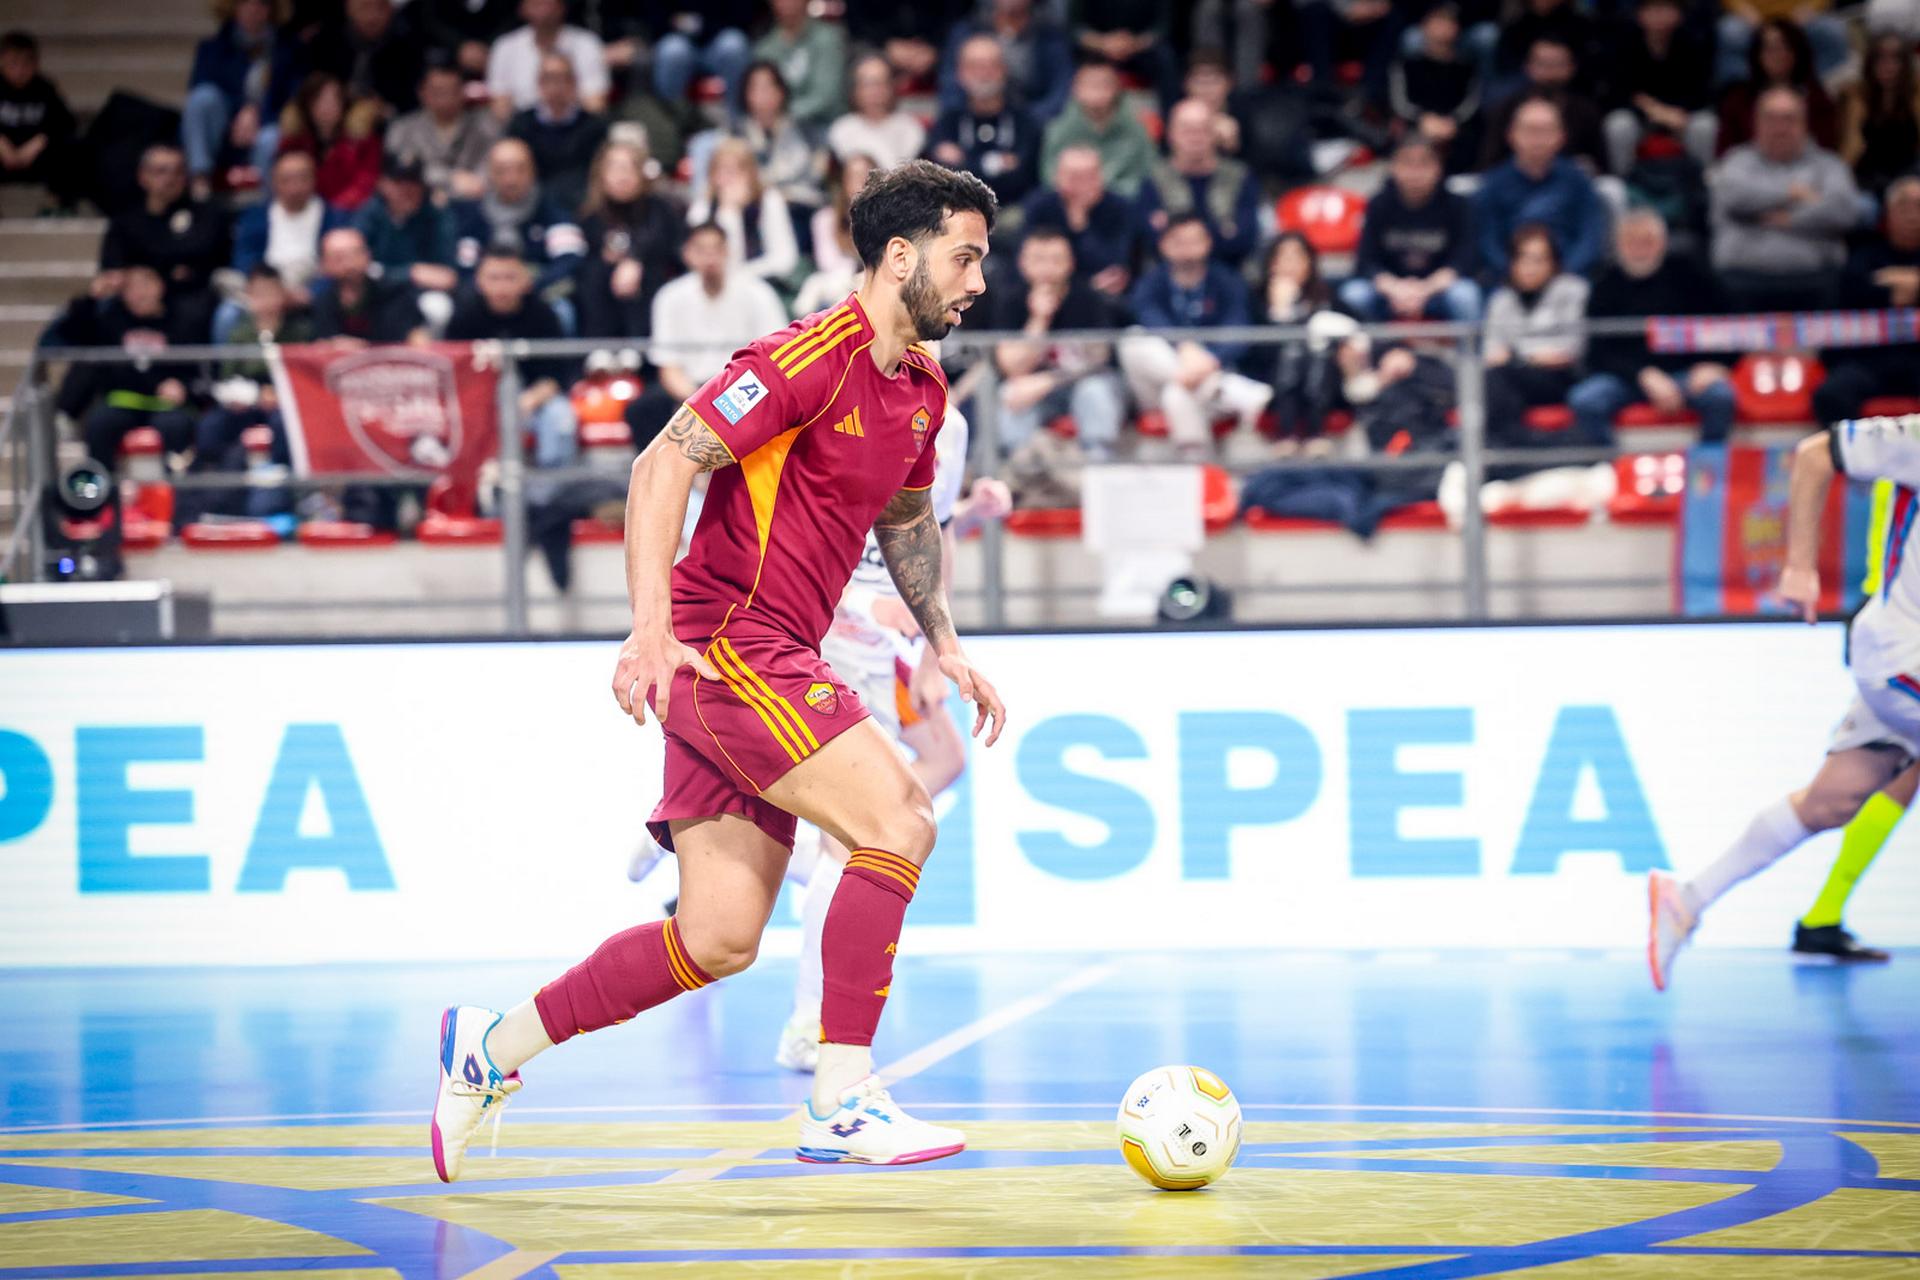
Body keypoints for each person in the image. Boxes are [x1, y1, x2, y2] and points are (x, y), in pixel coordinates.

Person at [429, 159, 1007, 1177]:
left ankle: (489, 1047)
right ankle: (842, 1095)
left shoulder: (921, 386)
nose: (977, 282)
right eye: (964, 258)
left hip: (776, 651)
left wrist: (945, 641)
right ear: (900, 256)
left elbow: (909, 520)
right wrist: (649, 631)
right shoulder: (801, 357)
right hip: (730, 640)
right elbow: (662, 462)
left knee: (717, 937)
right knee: (899, 818)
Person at [772, 405, 1012, 1072]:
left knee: (943, 758)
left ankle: (781, 853)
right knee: (854, 835)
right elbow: (788, 538)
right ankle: (807, 1021)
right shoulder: (828, 400)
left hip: (886, 647)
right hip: (822, 637)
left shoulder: (949, 422)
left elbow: (932, 535)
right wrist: (859, 604)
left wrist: (938, 654)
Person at [1650, 408, 1920, 988]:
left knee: (1834, 799)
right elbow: (1815, 452)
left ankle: (1687, 899)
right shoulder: (1914, 438)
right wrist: (1799, 567)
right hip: (1904, 652)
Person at [1568, 211, 1732, 446]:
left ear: (1663, 242)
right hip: (1626, 378)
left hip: (1686, 373)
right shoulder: (1605, 284)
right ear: (1618, 245)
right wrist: (1643, 375)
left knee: (1720, 396)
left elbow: (1732, 325)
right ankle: (1611, 465)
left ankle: (1708, 465)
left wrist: (1716, 365)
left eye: (1647, 242)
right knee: (1586, 400)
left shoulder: (1690, 274)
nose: (1639, 249)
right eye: (1631, 242)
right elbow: (1598, 353)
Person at [1118, 214, 1274, 461]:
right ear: (1164, 245)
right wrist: (1183, 347)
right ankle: (1220, 387)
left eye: (1194, 241)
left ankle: (1199, 469)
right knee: (1133, 340)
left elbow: (1238, 330)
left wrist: (1211, 360)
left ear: (1208, 243)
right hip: (1154, 387)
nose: (1187, 249)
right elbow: (1151, 319)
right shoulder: (1151, 283)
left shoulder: (1227, 281)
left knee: (1177, 394)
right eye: (1179, 242)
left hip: (1199, 380)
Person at [624, 222, 789, 451]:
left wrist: (726, 401)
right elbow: (668, 367)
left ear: (727, 252)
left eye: (716, 250)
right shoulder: (670, 297)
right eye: (701, 250)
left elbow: (774, 358)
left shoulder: (758, 293)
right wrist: (698, 402)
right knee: (643, 410)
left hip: (744, 387)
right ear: (688, 254)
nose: (710, 258)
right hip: (691, 387)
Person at [1710, 86, 1859, 312]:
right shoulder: (1736, 161)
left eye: (1789, 119)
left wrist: (1789, 219)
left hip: (1818, 281)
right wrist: (1792, 194)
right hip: (1740, 282)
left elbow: (1842, 210)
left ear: (1804, 123)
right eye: (1771, 119)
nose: (1780, 128)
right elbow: (1733, 197)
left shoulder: (1829, 165)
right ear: (1756, 123)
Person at [988, 226, 1129, 460]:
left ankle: (1098, 461)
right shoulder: (1011, 301)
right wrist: (1039, 319)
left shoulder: (1089, 298)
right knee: (1011, 393)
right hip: (1035, 392)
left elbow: (1099, 360)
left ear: (1070, 263)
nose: (1047, 269)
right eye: (1039, 260)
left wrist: (1050, 380)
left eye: (1056, 260)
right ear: (1022, 263)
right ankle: (1019, 464)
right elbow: (1011, 366)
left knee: (1094, 391)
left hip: (1083, 383)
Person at [48, 266, 202, 464]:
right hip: (122, 402)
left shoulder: (181, 322)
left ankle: (176, 483)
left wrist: (183, 387)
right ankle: (102, 482)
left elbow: (195, 371)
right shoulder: (112, 320)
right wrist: (92, 297)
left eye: (145, 285)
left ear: (159, 286)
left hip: (166, 406)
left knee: (177, 426)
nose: (139, 293)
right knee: (99, 424)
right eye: (131, 288)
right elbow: (70, 333)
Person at [446, 246, 579, 467]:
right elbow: (454, 375)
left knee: (560, 418)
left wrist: (529, 400)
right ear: (479, 280)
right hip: (481, 400)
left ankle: (552, 487)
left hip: (535, 399)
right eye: (494, 278)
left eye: (510, 277)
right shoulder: (464, 317)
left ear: (526, 280)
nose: (502, 286)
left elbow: (558, 375)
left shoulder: (544, 315)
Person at [1811, 176, 1920, 425]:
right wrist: (1901, 292)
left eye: (1919, 207)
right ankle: (1844, 450)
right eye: (1904, 207)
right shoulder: (1862, 257)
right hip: (1869, 361)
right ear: (1888, 214)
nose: (1913, 216)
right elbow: (1856, 296)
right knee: (1831, 395)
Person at [1340, 136, 1481, 323]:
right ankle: (1362, 342)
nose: (1415, 173)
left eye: (1424, 164)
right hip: (1390, 290)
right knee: (1354, 294)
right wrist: (1396, 289)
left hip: (1438, 289)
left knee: (1465, 295)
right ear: (1393, 167)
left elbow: (1464, 260)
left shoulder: (1458, 205)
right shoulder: (1378, 204)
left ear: (1438, 168)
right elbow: (1366, 262)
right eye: (1407, 164)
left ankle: (1469, 344)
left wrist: (1424, 290)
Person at [97, 145, 230, 340]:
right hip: (134, 298)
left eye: (178, 171)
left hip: (190, 296)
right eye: (161, 171)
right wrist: (139, 283)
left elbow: (206, 255)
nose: (170, 179)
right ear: (143, 176)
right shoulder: (126, 221)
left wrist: (156, 276)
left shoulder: (206, 215)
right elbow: (112, 267)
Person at [1473, 95, 1608, 280]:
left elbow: (1590, 235)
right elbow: (1486, 241)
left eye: (1545, 130)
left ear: (1561, 136)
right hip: (1507, 280)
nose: (1537, 139)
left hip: (1566, 277)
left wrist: (1564, 271)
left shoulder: (1578, 182)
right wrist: (1517, 275)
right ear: (1511, 134)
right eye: (1530, 130)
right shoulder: (1492, 185)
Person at [1482, 223, 1589, 449]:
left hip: (1559, 377)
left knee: (1498, 380)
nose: (1529, 267)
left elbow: (1571, 350)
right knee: (1492, 380)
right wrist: (1523, 359)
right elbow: (1491, 352)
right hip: (1512, 377)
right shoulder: (1502, 299)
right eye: (1523, 259)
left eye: (1538, 260)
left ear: (1553, 263)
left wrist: (1519, 357)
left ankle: (1508, 449)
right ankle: (1518, 446)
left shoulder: (1573, 291)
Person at [574, 138, 686, 341]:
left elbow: (673, 253)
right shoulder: (588, 217)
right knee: (594, 273)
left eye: (629, 168)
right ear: (601, 174)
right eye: (615, 168)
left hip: (652, 293)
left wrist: (635, 259)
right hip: (603, 304)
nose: (622, 176)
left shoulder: (662, 211)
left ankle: (640, 350)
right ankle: (599, 349)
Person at [181, 0, 298, 195]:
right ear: (233, 7)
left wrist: (258, 115)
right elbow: (200, 90)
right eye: (245, 2)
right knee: (202, 98)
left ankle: (268, 202)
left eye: (261, 3)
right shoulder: (212, 48)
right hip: (224, 129)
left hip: (269, 124)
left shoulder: (291, 50)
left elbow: (295, 97)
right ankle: (199, 179)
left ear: (272, 9)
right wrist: (241, 113)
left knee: (271, 138)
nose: (253, 9)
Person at [449, 138, 586, 304]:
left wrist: (528, 285)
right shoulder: (473, 214)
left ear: (533, 170)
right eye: (502, 170)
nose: (511, 179)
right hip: (484, 296)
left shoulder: (552, 209)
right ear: (490, 173)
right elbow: (464, 263)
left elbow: (570, 259)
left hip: (540, 294)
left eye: (520, 169)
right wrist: (490, 287)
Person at [1135, 99, 1261, 270]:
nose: (1195, 137)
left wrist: (1179, 238)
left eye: (1203, 129)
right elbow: (1152, 240)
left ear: (1214, 134)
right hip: (1169, 276)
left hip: (1232, 272)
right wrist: (1221, 231)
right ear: (1171, 134)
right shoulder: (1153, 180)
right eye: (1187, 130)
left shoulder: (1240, 177)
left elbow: (1244, 239)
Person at [926, 33, 1042, 209]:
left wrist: (963, 161)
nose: (983, 74)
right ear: (960, 73)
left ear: (1004, 70)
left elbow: (1023, 178)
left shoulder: (1025, 122)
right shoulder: (947, 122)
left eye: (991, 65)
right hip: (958, 212)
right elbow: (942, 178)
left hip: (1012, 212)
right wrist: (997, 165)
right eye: (974, 66)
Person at [1603, 0, 1717, 175]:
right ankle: (1622, 178)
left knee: (1705, 124)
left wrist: (1676, 112)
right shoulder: (1625, 43)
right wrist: (1654, 111)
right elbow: (1620, 91)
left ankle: (1701, 179)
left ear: (1679, 14)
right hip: (1641, 116)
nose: (1659, 16)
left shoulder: (1693, 44)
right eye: (1653, 10)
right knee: (1618, 124)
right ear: (1640, 15)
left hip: (1680, 116)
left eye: (1665, 9)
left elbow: (1700, 92)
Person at [1020, 144, 1140, 297]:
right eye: (1073, 177)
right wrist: (1082, 286)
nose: (1081, 186)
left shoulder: (1119, 208)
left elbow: (1114, 265)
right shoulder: (1039, 207)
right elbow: (1026, 258)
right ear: (1058, 177)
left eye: (1088, 178)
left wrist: (1081, 226)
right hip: (1048, 285)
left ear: (1100, 178)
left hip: (1104, 293)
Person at [232, 150, 346, 307]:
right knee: (228, 313)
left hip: (313, 292)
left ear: (314, 179)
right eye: (286, 180)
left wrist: (312, 292)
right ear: (273, 182)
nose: (295, 187)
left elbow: (338, 263)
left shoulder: (333, 217)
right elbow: (245, 258)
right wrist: (267, 288)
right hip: (265, 288)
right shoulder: (256, 217)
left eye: (302, 178)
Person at [1477, 37, 1606, 173]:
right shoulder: (1507, 107)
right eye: (1543, 64)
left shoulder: (1586, 111)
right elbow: (1489, 162)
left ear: (1571, 68)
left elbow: (1600, 166)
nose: (1550, 73)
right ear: (1528, 67)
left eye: (1557, 64)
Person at [355, 156, 459, 325]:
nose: (406, 190)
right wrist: (411, 272)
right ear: (383, 184)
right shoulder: (371, 212)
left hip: (419, 293)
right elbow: (356, 266)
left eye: (413, 183)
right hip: (375, 291)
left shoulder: (437, 215)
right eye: (398, 183)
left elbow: (447, 277)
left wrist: (385, 272)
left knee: (438, 307)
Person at [385, 60, 502, 205]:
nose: (446, 99)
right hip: (419, 203)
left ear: (462, 91)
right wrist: (451, 178)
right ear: (422, 93)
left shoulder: (485, 126)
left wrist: (476, 182)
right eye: (438, 92)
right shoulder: (402, 130)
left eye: (452, 91)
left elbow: (493, 162)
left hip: (474, 200)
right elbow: (400, 169)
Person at [1717, 18, 1839, 157]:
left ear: (1797, 52)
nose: (1778, 55)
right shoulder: (1738, 100)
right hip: (1748, 167)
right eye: (1770, 48)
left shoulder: (1817, 99)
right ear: (1757, 54)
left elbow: (1826, 152)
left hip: (1805, 166)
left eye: (1785, 47)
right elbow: (1725, 155)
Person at [688, 138, 801, 287]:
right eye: (720, 171)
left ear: (750, 174)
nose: (727, 179)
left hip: (762, 285)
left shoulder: (768, 201)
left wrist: (742, 276)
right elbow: (700, 260)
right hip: (714, 286)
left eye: (734, 171)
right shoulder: (703, 207)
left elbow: (785, 259)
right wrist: (729, 212)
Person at [507, 53, 609, 216]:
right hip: (530, 207)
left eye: (562, 78)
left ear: (574, 83)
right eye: (549, 78)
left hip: (582, 205)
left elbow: (598, 174)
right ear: (539, 83)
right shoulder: (520, 125)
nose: (555, 85)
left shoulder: (594, 126)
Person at [939, 0, 1074, 122]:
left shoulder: (1051, 37)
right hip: (971, 122)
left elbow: (1060, 91)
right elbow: (950, 87)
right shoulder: (967, 31)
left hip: (1034, 123)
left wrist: (1022, 124)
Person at [1039, 58, 1156, 199]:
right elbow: (1049, 178)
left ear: (1117, 87)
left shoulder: (1136, 130)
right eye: (1090, 84)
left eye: (1104, 83)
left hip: (1124, 203)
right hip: (1069, 203)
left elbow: (1147, 175)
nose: (1097, 90)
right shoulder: (1058, 130)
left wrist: (1106, 196)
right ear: (1075, 88)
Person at [1386, 3, 1481, 171]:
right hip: (1416, 125)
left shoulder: (1467, 67)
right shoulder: (1405, 65)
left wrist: (1451, 121)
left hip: (1453, 127)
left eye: (1448, 22)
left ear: (1457, 28)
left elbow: (1470, 103)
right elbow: (1399, 102)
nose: (1442, 28)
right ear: (1424, 26)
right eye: (1437, 22)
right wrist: (1422, 119)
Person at [276, 72, 383, 212]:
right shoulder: (294, 141)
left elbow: (365, 183)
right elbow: (284, 181)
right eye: (319, 100)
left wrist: (332, 211)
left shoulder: (364, 141)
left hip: (349, 212)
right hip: (303, 211)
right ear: (307, 104)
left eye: (333, 100)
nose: (327, 107)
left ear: (343, 103)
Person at [0, 30, 81, 211]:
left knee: (70, 148)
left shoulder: (44, 89)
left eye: (26, 63)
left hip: (35, 158)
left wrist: (39, 142)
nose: (19, 70)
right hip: (4, 156)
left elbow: (66, 124)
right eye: (13, 63)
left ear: (35, 64)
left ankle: (60, 206)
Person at [487, 0, 609, 117]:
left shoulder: (587, 44)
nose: (542, 8)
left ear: (561, 7)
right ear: (522, 8)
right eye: (536, 3)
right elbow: (500, 106)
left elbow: (595, 104)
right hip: (521, 125)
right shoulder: (505, 46)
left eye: (548, 2)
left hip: (577, 125)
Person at [307, 227, 426, 344]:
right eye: (339, 258)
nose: (350, 264)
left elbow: (411, 339)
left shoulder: (396, 295)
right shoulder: (322, 302)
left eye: (356, 254)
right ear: (324, 264)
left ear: (368, 255)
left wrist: (362, 347)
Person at [306, 0, 424, 116]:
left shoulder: (407, 49)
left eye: (381, 8)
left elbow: (413, 100)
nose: (372, 17)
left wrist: (387, 109)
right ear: (349, 8)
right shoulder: (325, 43)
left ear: (391, 10)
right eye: (364, 7)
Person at [1838, 33, 1920, 201]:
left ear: (1905, 64)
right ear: (1870, 64)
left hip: (1910, 172)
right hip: (1871, 174)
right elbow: (1852, 147)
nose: (1887, 66)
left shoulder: (1916, 94)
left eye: (1895, 59)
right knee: (1863, 207)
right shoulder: (1857, 96)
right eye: (1880, 59)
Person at [798, 153, 878, 317]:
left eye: (864, 177)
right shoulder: (824, 219)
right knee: (816, 285)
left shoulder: (887, 219)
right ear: (843, 181)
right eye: (853, 177)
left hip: (874, 282)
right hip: (838, 283)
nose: (859, 183)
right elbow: (827, 263)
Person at [753, 0, 848, 130]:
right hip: (778, 127)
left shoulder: (828, 38)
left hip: (823, 124)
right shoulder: (764, 49)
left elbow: (826, 97)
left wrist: (784, 115)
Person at [829, 53, 927, 171]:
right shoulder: (841, 129)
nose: (875, 91)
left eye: (881, 83)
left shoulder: (910, 128)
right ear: (854, 88)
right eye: (867, 84)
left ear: (892, 86)